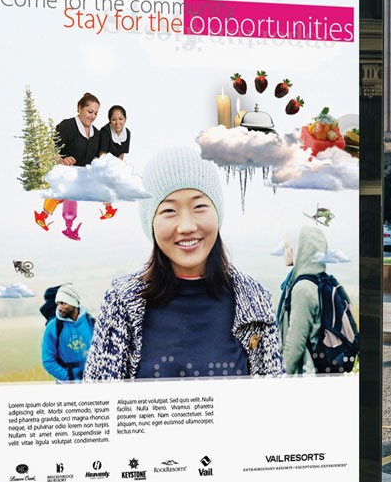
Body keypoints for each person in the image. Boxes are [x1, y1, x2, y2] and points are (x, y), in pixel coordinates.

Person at [83, 147, 284, 380]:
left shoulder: (254, 300)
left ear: (217, 213)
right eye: (169, 210)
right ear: (151, 222)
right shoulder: (122, 302)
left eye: (199, 206)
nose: (186, 226)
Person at [35, 92, 102, 239]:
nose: (92, 116)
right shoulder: (67, 126)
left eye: (96, 113)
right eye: (90, 111)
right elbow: (51, 148)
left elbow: (95, 155)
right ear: (79, 108)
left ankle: (64, 225)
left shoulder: (96, 134)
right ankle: (48, 217)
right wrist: (61, 160)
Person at [277, 225, 335, 374]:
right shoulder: (319, 280)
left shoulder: (302, 289)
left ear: (298, 249)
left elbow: (295, 343)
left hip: (306, 374)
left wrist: (281, 376)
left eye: (287, 247)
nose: (285, 251)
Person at [41, 284, 94, 381]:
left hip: (91, 381)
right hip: (66, 384)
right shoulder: (52, 327)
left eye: (63, 303)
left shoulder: (91, 323)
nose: (59, 308)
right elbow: (48, 361)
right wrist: (69, 379)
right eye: (58, 303)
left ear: (74, 304)